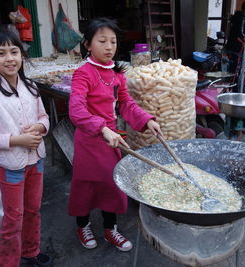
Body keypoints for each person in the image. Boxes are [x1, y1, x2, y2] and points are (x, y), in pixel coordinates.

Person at [68, 17, 162, 252]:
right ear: (88, 45)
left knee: (111, 184)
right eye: (102, 41)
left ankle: (111, 229)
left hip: (113, 140)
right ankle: (83, 225)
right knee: (86, 186)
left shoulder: (117, 73)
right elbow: (76, 111)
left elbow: (126, 104)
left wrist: (146, 119)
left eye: (113, 41)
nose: (109, 47)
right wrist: (102, 128)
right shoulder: (83, 74)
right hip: (90, 139)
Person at [0, 27, 52, 267]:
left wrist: (39, 128)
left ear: (21, 55)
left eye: (14, 52)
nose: (9, 58)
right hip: (11, 167)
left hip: (36, 161)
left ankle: (31, 251)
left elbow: (45, 117)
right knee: (13, 218)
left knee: (33, 210)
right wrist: (17, 140)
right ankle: (7, 263)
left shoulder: (31, 87)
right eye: (1, 53)